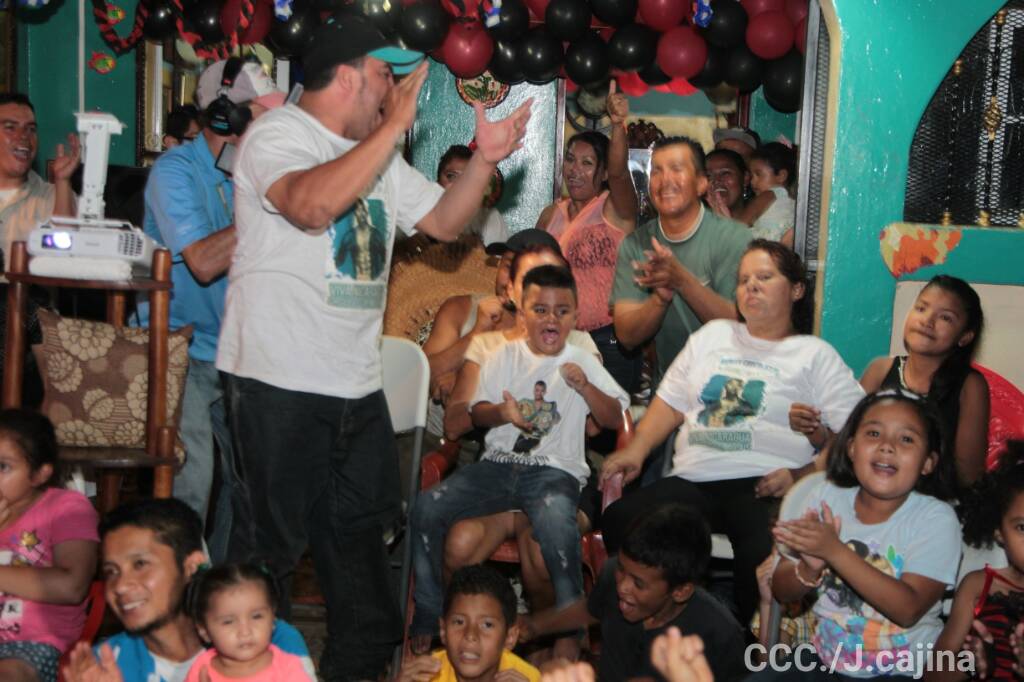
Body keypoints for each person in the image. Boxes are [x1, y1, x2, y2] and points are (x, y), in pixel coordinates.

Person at [214, 12, 531, 680]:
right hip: (276, 385)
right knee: (265, 566)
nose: (393, 92)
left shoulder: (379, 154)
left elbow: (443, 221)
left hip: (356, 391)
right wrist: (391, 129)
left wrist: (485, 160)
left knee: (365, 584)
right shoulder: (278, 135)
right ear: (350, 77)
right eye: (386, 76)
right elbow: (309, 207)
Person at [601, 240, 865, 624]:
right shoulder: (713, 336)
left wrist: (800, 475)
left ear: (796, 289)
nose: (751, 286)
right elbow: (671, 403)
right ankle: (667, 628)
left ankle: (742, 646)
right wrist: (636, 450)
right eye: (743, 280)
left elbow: (858, 434)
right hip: (695, 480)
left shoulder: (814, 354)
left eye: (764, 277)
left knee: (761, 556)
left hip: (764, 485)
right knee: (621, 520)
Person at [411, 266, 629, 644]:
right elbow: (477, 412)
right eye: (540, 310)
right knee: (426, 507)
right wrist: (503, 413)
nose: (551, 319)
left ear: (575, 318)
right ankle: (431, 613)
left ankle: (571, 630)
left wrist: (586, 388)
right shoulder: (502, 355)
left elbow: (613, 418)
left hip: (554, 472)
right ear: (523, 314)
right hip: (496, 468)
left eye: (562, 311)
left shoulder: (582, 359)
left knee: (556, 527)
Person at [142, 58, 285, 563]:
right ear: (226, 117)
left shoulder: (251, 172)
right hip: (178, 349)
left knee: (256, 486)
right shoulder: (174, 172)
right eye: (262, 115)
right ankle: (181, 597)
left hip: (238, 351)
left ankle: (221, 589)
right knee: (193, 478)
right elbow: (203, 262)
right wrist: (264, 203)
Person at [761, 389, 961, 681]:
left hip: (899, 671)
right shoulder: (825, 496)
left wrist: (834, 552)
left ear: (928, 462)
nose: (887, 447)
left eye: (906, 439)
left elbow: (908, 610)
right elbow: (782, 590)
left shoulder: (936, 519)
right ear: (852, 448)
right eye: (874, 434)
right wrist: (808, 569)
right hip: (823, 659)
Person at [63, 498, 314, 682]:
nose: (120, 585)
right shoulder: (106, 664)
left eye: (140, 564)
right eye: (111, 571)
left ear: (191, 566)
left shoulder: (266, 640)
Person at [520, 504, 745, 682]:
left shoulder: (720, 634)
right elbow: (591, 609)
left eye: (638, 583)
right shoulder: (613, 576)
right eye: (621, 568)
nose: (622, 586)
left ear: (680, 591)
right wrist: (535, 625)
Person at [610, 136, 750, 395]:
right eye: (657, 171)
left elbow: (742, 330)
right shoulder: (637, 244)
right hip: (669, 393)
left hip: (728, 394)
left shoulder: (735, 239)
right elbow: (627, 336)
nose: (665, 181)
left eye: (676, 169)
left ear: (701, 183)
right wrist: (660, 300)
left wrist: (682, 280)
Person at [536, 82, 641, 395]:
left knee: (608, 422)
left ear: (604, 172)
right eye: (570, 159)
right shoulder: (551, 213)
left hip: (608, 341)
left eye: (587, 163)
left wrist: (618, 125)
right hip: (557, 337)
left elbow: (621, 174)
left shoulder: (616, 209)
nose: (574, 170)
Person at [423, 229, 561, 437]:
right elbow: (419, 377)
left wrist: (462, 382)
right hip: (435, 442)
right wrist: (477, 332)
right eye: (508, 266)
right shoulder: (460, 309)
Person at [858, 275, 988, 489]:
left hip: (936, 499)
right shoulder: (879, 371)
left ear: (965, 337)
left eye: (945, 317)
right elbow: (849, 442)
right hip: (874, 492)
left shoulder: (970, 386)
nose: (927, 321)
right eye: (921, 308)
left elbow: (968, 475)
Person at [0, 409, 97, 682]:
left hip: (29, 646)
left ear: (40, 474)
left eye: (3, 466)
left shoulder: (65, 508)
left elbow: (71, 587)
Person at [931, 440, 1024, 681]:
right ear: (999, 532)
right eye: (1022, 528)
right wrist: (970, 664)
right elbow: (934, 674)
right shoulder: (979, 586)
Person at [399, 564, 540, 682]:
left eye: (487, 625)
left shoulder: (526, 678)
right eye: (459, 622)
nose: (470, 635)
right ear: (443, 630)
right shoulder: (427, 676)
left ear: (510, 637)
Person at [184, 563, 311, 681]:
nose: (245, 632)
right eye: (228, 622)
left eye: (256, 616)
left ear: (273, 619)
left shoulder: (288, 669)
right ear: (204, 630)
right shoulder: (201, 669)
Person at [0, 92, 79, 265]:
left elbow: (67, 259)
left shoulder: (53, 197)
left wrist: (63, 181)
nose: (24, 136)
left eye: (31, 129)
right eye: (10, 127)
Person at [436, 144, 509, 247]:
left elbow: (500, 256)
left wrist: (477, 247)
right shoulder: (421, 213)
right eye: (451, 176)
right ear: (438, 183)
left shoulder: (489, 216)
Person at [734, 142, 796, 247]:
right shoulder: (792, 201)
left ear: (781, 176)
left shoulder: (770, 194)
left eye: (758, 174)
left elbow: (740, 224)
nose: (752, 181)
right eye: (752, 176)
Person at [704, 149, 749, 221]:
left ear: (745, 178)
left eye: (725, 173)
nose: (716, 180)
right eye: (708, 175)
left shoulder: (764, 218)